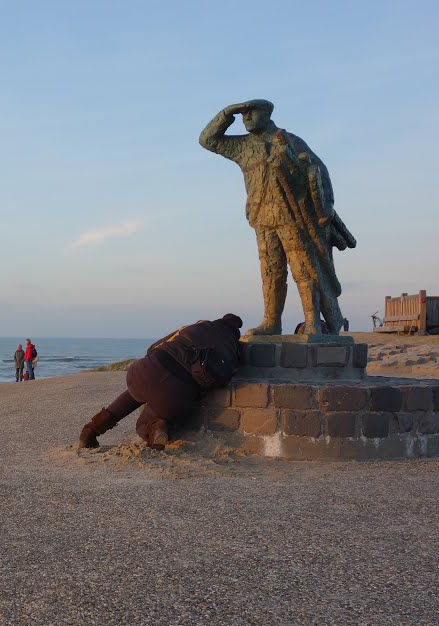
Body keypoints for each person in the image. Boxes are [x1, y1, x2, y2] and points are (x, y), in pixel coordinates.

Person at [200, 100, 355, 337]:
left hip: (292, 217)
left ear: (266, 114)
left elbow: (318, 174)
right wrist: (226, 114)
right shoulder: (242, 146)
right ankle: (271, 322)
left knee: (304, 269)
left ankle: (312, 320)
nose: (246, 117)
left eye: (251, 112)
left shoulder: (289, 140)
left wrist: (324, 210)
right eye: (243, 114)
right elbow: (207, 140)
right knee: (271, 272)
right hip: (261, 218)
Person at [78, 314, 243, 450]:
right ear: (235, 334)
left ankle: (90, 431)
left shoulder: (199, 327)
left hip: (145, 370)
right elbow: (219, 382)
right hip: (176, 393)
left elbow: (154, 347)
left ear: (220, 321)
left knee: (132, 395)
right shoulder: (232, 352)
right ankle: (157, 427)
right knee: (143, 425)